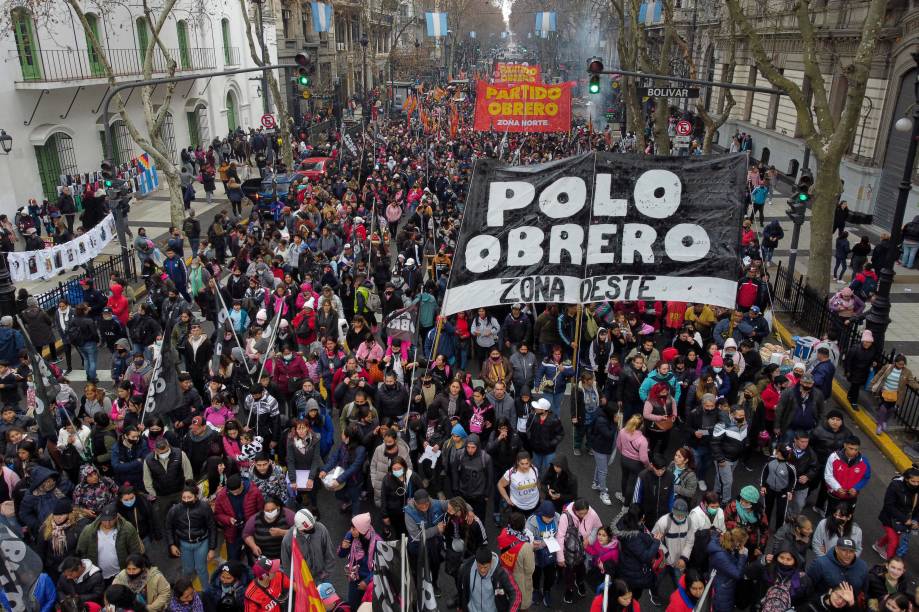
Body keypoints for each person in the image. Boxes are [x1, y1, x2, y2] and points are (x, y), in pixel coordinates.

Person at [74, 503, 144, 583]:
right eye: (104, 520)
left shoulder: (127, 529)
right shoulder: (88, 531)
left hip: (121, 575)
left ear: (117, 517)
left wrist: (131, 571)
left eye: (111, 520)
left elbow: (135, 552)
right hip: (97, 577)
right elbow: (81, 553)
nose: (107, 523)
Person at [165, 482, 217, 589]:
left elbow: (212, 527)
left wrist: (212, 548)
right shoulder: (175, 510)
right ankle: (185, 591)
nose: (186, 500)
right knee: (187, 570)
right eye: (184, 497)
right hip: (184, 544)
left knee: (201, 569)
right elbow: (168, 527)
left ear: (195, 497)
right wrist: (171, 544)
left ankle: (207, 593)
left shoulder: (204, 507)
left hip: (201, 542)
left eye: (189, 497)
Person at [556, 498, 602, 604]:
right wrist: (560, 557)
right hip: (569, 550)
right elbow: (560, 536)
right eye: (581, 514)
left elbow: (597, 527)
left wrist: (590, 539)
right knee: (569, 572)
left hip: (582, 549)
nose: (583, 516)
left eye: (585, 513)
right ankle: (570, 589)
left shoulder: (592, 513)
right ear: (575, 510)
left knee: (581, 568)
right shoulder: (565, 516)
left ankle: (579, 582)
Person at [614, 503, 661, 604]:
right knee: (633, 598)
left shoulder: (623, 523)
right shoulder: (634, 537)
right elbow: (646, 556)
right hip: (634, 574)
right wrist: (656, 542)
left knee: (625, 594)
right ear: (641, 518)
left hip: (624, 566)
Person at [213, 473, 264, 562]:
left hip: (251, 531)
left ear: (242, 484)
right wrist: (228, 519)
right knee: (233, 560)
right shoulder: (221, 496)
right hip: (232, 533)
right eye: (233, 492)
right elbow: (218, 514)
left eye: (238, 491)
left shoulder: (254, 492)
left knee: (254, 558)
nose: (235, 494)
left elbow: (261, 511)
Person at [457, 545, 522, 612]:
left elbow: (516, 594)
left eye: (485, 567)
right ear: (476, 561)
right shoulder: (465, 568)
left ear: (491, 562)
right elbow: (460, 589)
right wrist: (460, 605)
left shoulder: (501, 573)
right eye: (479, 566)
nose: (482, 570)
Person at [873, 467, 919, 560]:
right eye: (913, 481)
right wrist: (904, 519)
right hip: (890, 518)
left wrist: (916, 520)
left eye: (918, 482)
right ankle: (890, 562)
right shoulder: (895, 486)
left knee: (894, 535)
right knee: (894, 543)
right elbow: (889, 505)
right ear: (906, 479)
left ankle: (879, 545)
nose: (916, 484)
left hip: (906, 520)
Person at [279, 509, 337, 582]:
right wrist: (296, 580)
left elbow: (329, 551)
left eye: (312, 526)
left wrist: (327, 571)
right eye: (308, 530)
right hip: (303, 582)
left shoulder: (321, 529)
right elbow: (287, 564)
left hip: (323, 576)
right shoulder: (288, 540)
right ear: (299, 528)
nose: (312, 530)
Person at [338, 513, 381, 609]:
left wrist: (366, 581)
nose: (351, 531)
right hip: (354, 577)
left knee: (368, 606)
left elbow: (380, 566)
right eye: (351, 528)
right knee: (353, 604)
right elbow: (341, 555)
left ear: (362, 530)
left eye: (354, 529)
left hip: (370, 581)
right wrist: (343, 547)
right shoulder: (350, 535)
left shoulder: (378, 543)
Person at [870, 354, 919, 434]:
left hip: (896, 394)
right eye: (899, 364)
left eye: (903, 364)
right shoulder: (887, 367)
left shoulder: (907, 372)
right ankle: (880, 424)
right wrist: (873, 382)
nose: (901, 366)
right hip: (885, 391)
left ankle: (885, 421)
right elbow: (879, 374)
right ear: (895, 362)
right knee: (883, 408)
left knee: (892, 409)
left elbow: (911, 382)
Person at [496, 512, 535, 610]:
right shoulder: (525, 546)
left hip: (505, 574)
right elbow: (530, 569)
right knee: (521, 604)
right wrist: (532, 548)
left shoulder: (504, 532)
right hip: (520, 581)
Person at [525, 500, 560, 608]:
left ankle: (547, 591)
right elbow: (528, 541)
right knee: (536, 574)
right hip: (537, 556)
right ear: (541, 514)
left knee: (550, 575)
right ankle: (536, 589)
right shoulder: (531, 522)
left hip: (551, 554)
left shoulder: (557, 517)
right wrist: (541, 544)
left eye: (551, 517)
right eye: (547, 517)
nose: (549, 520)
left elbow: (560, 533)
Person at [823, 435, 871, 514]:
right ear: (845, 445)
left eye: (856, 449)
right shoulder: (833, 457)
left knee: (848, 517)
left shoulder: (864, 462)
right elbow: (828, 475)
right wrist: (837, 488)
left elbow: (866, 477)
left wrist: (856, 488)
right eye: (851, 448)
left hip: (851, 497)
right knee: (830, 516)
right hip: (834, 495)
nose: (853, 452)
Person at [708, 527, 750, 612]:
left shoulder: (727, 547)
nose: (743, 546)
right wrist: (742, 556)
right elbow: (737, 574)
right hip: (722, 591)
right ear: (737, 543)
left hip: (726, 585)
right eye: (742, 544)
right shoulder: (720, 556)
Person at [616, 414, 650, 504]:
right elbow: (643, 458)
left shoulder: (622, 431)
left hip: (623, 459)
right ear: (641, 425)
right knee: (631, 483)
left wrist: (624, 453)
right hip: (636, 464)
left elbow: (619, 445)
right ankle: (626, 504)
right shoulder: (642, 440)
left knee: (624, 477)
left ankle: (623, 496)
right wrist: (648, 466)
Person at [589, 401, 617, 506]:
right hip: (600, 447)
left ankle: (596, 483)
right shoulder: (601, 420)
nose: (616, 414)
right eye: (615, 413)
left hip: (600, 446)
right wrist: (615, 423)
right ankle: (603, 492)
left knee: (599, 466)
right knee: (603, 470)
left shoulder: (602, 415)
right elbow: (609, 434)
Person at [497, 451, 541, 518]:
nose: (525, 466)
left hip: (535, 504)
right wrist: (507, 499)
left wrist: (538, 490)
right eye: (522, 464)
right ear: (517, 462)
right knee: (519, 526)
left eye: (527, 463)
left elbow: (537, 481)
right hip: (519, 507)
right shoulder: (511, 473)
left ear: (530, 462)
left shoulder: (534, 469)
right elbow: (500, 485)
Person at [843, 329, 877, 411]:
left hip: (864, 372)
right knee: (856, 387)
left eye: (869, 342)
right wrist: (848, 371)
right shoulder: (855, 349)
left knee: (855, 386)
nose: (867, 344)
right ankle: (853, 401)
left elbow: (873, 359)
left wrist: (874, 363)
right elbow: (848, 360)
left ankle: (850, 395)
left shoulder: (872, 350)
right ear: (862, 341)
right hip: (854, 372)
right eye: (866, 341)